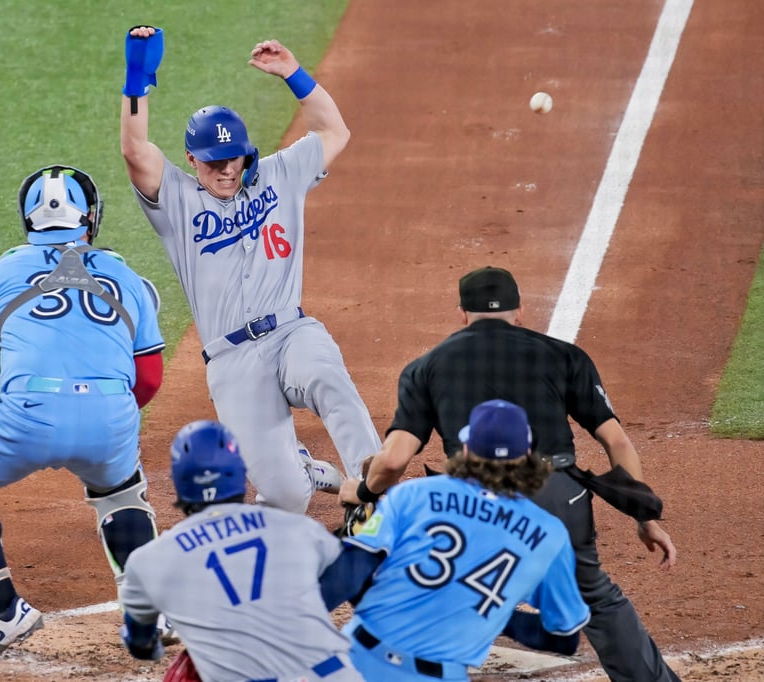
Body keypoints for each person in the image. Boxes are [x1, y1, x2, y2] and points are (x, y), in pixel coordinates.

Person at [339, 265, 680, 681]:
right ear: (519, 312)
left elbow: (392, 462)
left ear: (462, 314)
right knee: (595, 596)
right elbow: (618, 443)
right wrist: (643, 516)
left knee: (438, 579)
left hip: (466, 500)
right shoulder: (565, 355)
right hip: (558, 494)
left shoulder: (425, 367)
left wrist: (362, 490)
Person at [119, 25, 382, 513]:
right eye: (214, 162)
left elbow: (334, 132)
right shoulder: (175, 199)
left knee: (326, 377)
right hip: (232, 362)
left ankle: (374, 495)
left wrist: (293, 74)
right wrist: (138, 77)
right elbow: (135, 150)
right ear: (191, 159)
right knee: (284, 497)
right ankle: (304, 469)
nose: (226, 170)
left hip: (291, 332)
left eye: (234, 158)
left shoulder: (279, 175)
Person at [0, 164, 166, 661]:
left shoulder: (5, 267)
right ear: (90, 217)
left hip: (28, 415)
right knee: (120, 488)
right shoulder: (124, 272)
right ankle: (153, 611)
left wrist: (16, 374)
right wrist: (101, 409)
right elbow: (150, 379)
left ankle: (2, 614)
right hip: (111, 415)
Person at [321, 400, 591, 681]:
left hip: (353, 662)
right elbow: (564, 638)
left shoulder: (413, 495)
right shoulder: (549, 534)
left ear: (466, 450)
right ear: (527, 455)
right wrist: (489, 612)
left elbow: (346, 576)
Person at [118, 420, 364, 682]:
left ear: (180, 481)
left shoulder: (150, 560)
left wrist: (151, 647)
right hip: (335, 675)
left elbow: (140, 642)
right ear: (239, 473)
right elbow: (349, 578)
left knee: (185, 672)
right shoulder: (298, 528)